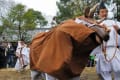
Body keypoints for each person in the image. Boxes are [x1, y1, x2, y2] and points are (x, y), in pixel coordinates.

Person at [90, 1, 120, 80]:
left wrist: (119, 31)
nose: (104, 13)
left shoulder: (116, 23)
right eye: (102, 12)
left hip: (114, 51)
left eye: (106, 11)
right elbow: (92, 41)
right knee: (104, 73)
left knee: (118, 71)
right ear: (99, 14)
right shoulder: (95, 25)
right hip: (102, 52)